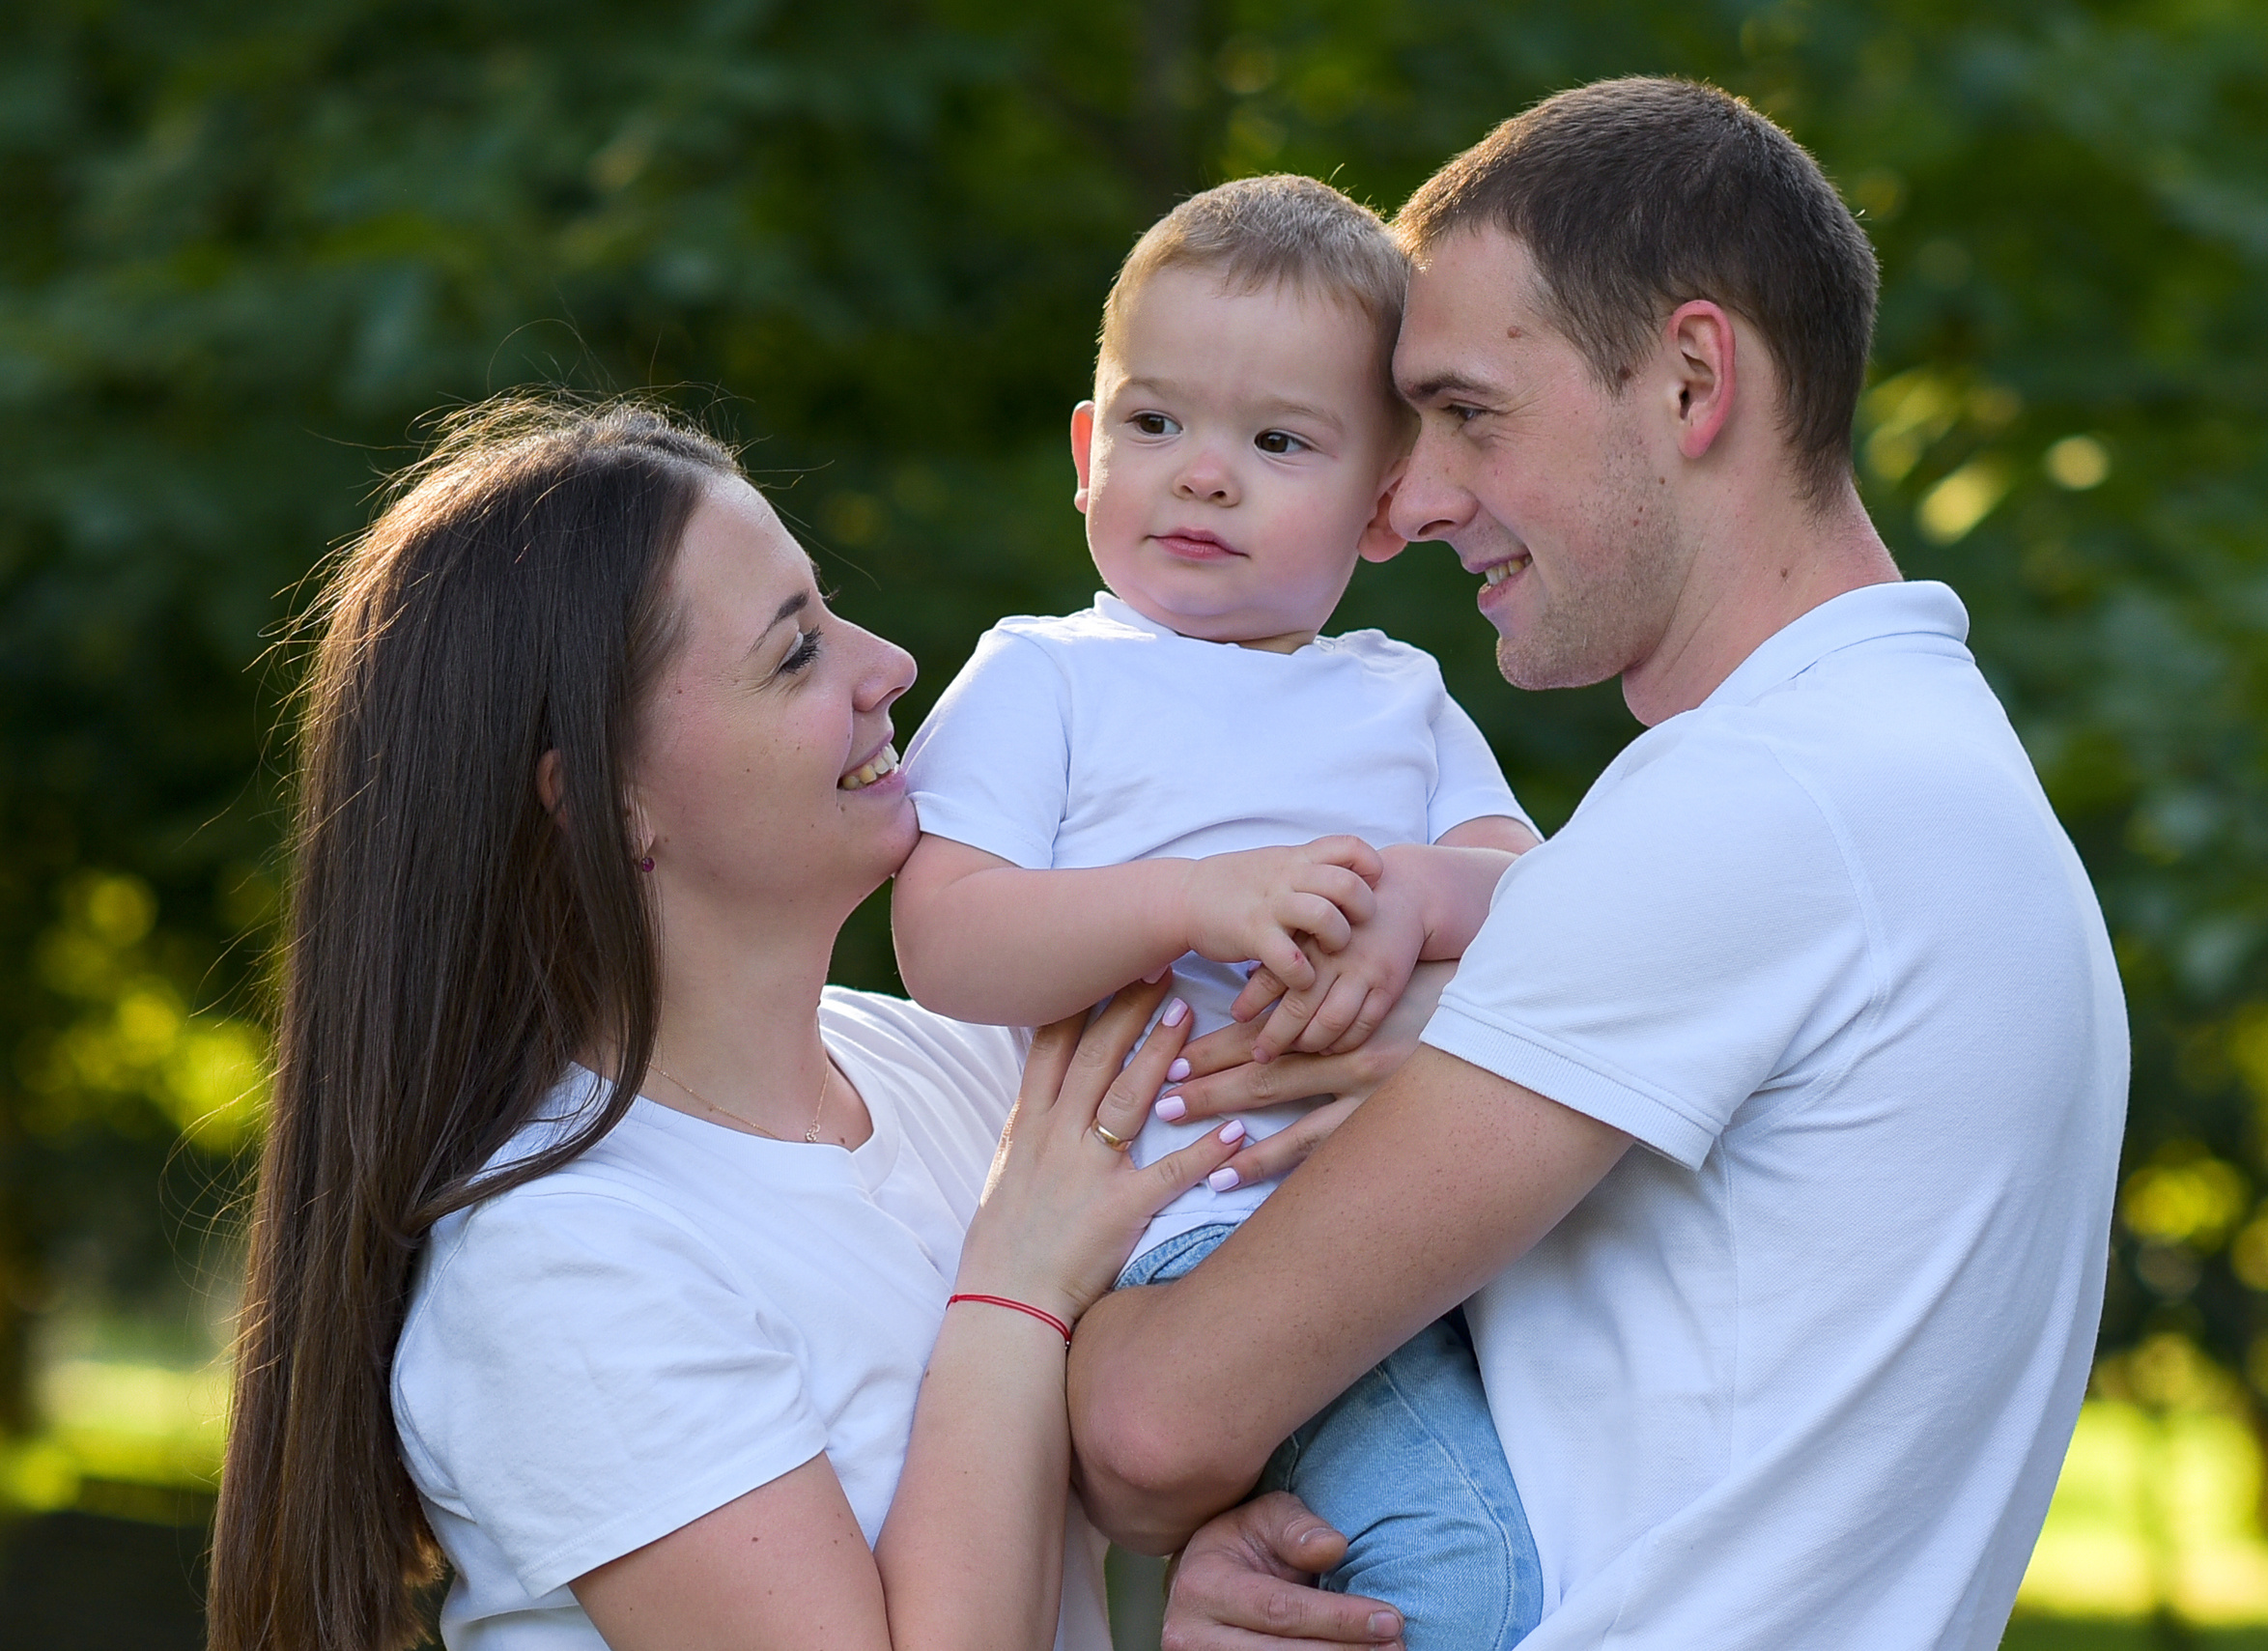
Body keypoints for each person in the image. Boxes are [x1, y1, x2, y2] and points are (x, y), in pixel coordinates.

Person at [1070, 76, 2132, 1651]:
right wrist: (1304, 1552)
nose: (1413, 498)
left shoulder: (1764, 803)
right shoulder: (1922, 774)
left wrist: (1045, 1269)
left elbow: (1151, 1424)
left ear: (1692, 380)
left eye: (1470, 413)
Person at [204, 396, 1412, 1651]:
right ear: (607, 808)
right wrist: (1015, 1279)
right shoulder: (559, 1260)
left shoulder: (962, 1069)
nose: (888, 662)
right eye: (796, 652)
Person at [892, 175, 1544, 1647]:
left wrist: (1410, 897)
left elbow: (1541, 894)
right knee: (1464, 1563)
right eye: (1156, 421)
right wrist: (1193, 896)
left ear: (1387, 503)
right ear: (1085, 447)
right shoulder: (1045, 676)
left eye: (1277, 442)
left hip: (1432, 1211)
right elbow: (949, 941)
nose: (1202, 474)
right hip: (1196, 1224)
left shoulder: (1401, 693)